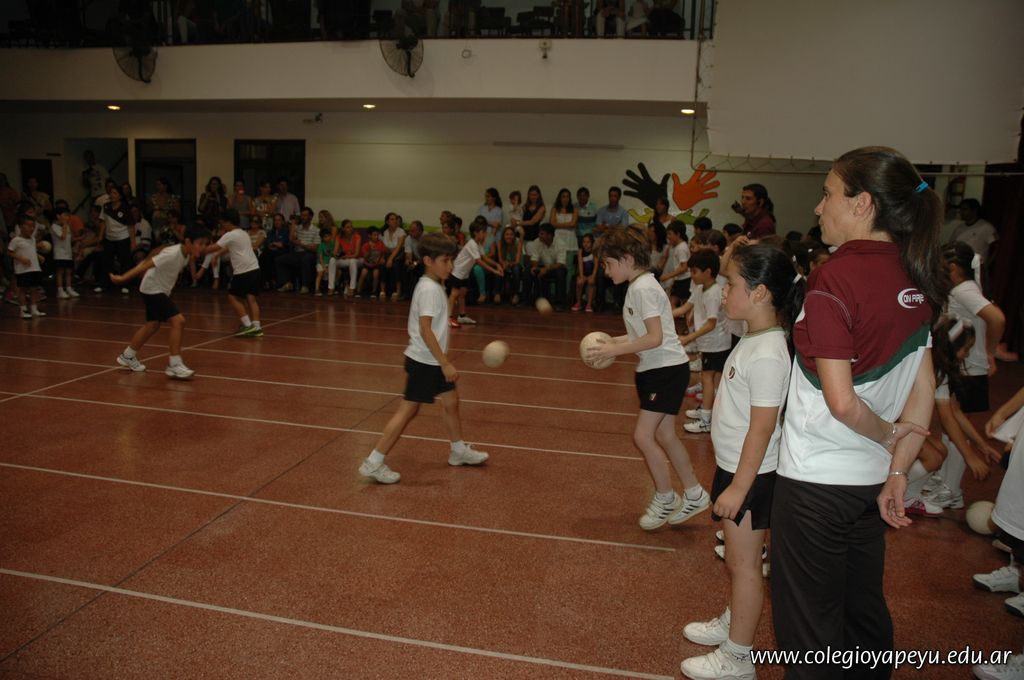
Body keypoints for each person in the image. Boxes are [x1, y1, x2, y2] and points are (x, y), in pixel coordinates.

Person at [771, 147, 947, 679]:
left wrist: (889, 436)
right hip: (869, 484)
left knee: (810, 637)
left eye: (827, 194)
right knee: (862, 619)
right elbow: (924, 389)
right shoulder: (918, 275)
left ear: (862, 203)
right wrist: (897, 471)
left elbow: (843, 402)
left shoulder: (834, 279)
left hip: (814, 484)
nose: (819, 207)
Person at [680, 243, 802, 680]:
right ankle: (736, 621)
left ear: (760, 292)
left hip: (749, 475)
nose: (724, 291)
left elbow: (763, 427)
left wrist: (739, 487)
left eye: (731, 284)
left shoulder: (768, 352)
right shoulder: (753, 338)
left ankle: (738, 657)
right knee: (738, 560)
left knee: (744, 566)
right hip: (737, 468)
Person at [585, 225, 709, 530]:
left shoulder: (643, 289)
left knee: (642, 436)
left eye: (608, 264)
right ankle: (694, 493)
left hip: (665, 370)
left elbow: (654, 338)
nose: (606, 271)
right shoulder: (639, 286)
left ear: (627, 259)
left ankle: (666, 497)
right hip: (660, 369)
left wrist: (617, 349)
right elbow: (641, 334)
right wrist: (610, 343)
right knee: (665, 435)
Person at [358, 231, 488, 485]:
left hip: (432, 360)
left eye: (452, 260)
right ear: (428, 260)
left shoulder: (434, 284)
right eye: (445, 261)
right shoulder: (429, 289)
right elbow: (425, 329)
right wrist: (445, 362)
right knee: (408, 410)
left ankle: (458, 450)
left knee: (451, 401)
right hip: (426, 362)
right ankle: (373, 461)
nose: (450, 266)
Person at [113, 225, 211, 379]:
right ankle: (174, 364)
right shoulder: (172, 253)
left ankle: (128, 355)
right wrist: (123, 278)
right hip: (153, 289)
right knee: (179, 321)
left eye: (206, 244)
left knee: (152, 325)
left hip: (158, 289)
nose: (203, 247)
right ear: (188, 242)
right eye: (200, 243)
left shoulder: (186, 254)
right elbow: (146, 264)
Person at [678, 249, 732, 434]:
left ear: (708, 272)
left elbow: (711, 323)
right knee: (708, 377)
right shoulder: (700, 289)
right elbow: (684, 308)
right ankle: (707, 410)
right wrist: (661, 315)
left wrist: (688, 338)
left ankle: (706, 420)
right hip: (708, 343)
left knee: (708, 378)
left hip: (717, 343)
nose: (691, 275)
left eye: (694, 271)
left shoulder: (714, 293)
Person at [203, 209, 264, 337]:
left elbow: (214, 247)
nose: (222, 225)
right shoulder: (243, 233)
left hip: (243, 271)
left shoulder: (230, 235)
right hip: (255, 268)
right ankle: (257, 327)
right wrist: (217, 255)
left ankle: (247, 325)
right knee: (251, 299)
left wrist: (197, 249)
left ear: (228, 222)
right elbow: (228, 247)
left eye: (222, 223)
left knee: (232, 297)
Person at [448, 220, 502, 327]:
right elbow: (479, 261)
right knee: (454, 294)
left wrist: (497, 264)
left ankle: (462, 316)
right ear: (476, 233)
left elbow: (484, 257)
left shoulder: (478, 244)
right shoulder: (471, 244)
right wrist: (494, 271)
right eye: (483, 232)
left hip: (465, 273)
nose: (485, 234)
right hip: (457, 272)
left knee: (462, 294)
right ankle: (448, 318)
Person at [95, 185, 135, 294]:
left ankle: (125, 285)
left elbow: (131, 226)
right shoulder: (106, 206)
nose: (112, 195)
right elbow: (103, 222)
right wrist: (100, 237)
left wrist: (132, 242)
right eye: (111, 193)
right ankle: (104, 284)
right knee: (106, 262)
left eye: (115, 193)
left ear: (120, 196)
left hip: (123, 238)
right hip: (109, 238)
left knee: (124, 262)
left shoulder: (125, 208)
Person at [8, 216, 46, 319]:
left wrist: (38, 256)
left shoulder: (32, 239)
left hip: (34, 268)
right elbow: (10, 252)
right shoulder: (16, 240)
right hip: (23, 269)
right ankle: (23, 309)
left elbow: (31, 250)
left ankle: (34, 309)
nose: (31, 229)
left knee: (34, 289)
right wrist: (21, 258)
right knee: (23, 289)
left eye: (33, 226)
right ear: (21, 227)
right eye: (28, 226)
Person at [525, 224, 566, 307]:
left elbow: (560, 263)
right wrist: (534, 267)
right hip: (542, 266)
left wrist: (546, 269)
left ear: (549, 235)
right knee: (528, 271)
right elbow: (534, 258)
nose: (539, 236)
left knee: (561, 273)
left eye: (542, 234)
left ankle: (559, 303)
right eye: (539, 233)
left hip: (555, 268)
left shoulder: (560, 244)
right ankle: (526, 300)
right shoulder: (537, 242)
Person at [950, 198, 998, 268]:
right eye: (960, 209)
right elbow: (951, 246)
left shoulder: (986, 226)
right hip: (960, 267)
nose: (961, 212)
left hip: (977, 267)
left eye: (964, 209)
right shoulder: (959, 228)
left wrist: (988, 264)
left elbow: (996, 246)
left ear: (974, 211)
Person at [659, 222, 691, 306]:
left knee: (683, 304)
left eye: (670, 234)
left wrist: (668, 276)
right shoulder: (680, 246)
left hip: (684, 281)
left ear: (678, 234)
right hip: (680, 280)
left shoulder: (681, 248)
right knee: (673, 303)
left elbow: (684, 267)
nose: (668, 237)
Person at [50, 206, 78, 299]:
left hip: (68, 252)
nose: (67, 217)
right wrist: (65, 225)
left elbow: (70, 239)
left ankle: (69, 288)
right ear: (58, 216)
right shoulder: (54, 226)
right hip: (59, 253)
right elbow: (63, 237)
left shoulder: (67, 226)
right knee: (60, 271)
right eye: (65, 215)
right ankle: (60, 290)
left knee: (68, 271)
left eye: (68, 215)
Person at [330, 219, 361, 297]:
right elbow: (335, 251)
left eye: (351, 227)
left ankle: (352, 288)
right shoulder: (339, 237)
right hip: (345, 259)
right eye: (348, 227)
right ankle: (331, 287)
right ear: (343, 229)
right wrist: (336, 254)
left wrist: (346, 256)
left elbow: (356, 254)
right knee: (332, 260)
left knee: (352, 261)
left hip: (357, 259)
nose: (350, 229)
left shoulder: (357, 237)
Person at [381, 212, 407, 301]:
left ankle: (398, 291)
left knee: (396, 265)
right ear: (387, 222)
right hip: (387, 254)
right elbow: (383, 247)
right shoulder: (385, 232)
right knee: (382, 264)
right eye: (392, 219)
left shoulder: (401, 232)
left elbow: (398, 247)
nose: (394, 221)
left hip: (398, 255)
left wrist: (390, 259)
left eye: (395, 219)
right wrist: (383, 257)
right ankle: (382, 291)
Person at [356, 226, 386, 299]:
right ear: (370, 236)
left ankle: (374, 291)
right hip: (367, 264)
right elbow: (365, 256)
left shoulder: (381, 244)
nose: (376, 237)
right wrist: (370, 250)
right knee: (363, 273)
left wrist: (382, 259)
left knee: (376, 274)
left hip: (376, 264)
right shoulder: (366, 245)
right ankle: (358, 290)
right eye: (374, 235)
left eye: (377, 235)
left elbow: (383, 253)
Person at [496, 225, 523, 306]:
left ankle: (516, 294)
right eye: (507, 234)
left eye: (511, 234)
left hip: (516, 265)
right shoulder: (500, 243)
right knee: (499, 267)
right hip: (504, 264)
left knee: (516, 269)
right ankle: (497, 293)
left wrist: (509, 264)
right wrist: (504, 264)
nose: (509, 236)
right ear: (503, 235)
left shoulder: (518, 243)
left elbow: (517, 261)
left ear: (514, 236)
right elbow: (500, 259)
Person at [572, 232, 596, 312]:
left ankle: (589, 304)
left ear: (592, 243)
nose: (585, 244)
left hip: (591, 274)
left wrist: (593, 276)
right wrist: (581, 276)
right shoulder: (580, 251)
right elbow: (580, 265)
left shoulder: (594, 251)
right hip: (583, 273)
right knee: (580, 282)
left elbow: (596, 265)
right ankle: (578, 303)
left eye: (588, 242)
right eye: (584, 242)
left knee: (591, 282)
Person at [313, 227, 333, 296]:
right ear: (322, 238)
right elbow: (320, 258)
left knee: (337, 272)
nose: (328, 238)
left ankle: (332, 287)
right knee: (320, 273)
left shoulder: (332, 244)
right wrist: (324, 267)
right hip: (321, 263)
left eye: (329, 236)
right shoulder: (321, 246)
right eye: (325, 237)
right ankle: (316, 289)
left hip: (329, 263)